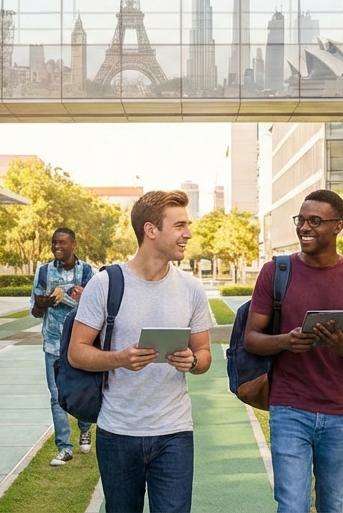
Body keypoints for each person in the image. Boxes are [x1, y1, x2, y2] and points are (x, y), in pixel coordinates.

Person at [67, 191, 212, 513]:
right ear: (151, 230)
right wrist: (119, 358)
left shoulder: (192, 289)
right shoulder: (105, 283)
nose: (187, 233)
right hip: (118, 431)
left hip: (175, 432)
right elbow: (77, 352)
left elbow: (204, 354)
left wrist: (193, 361)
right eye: (179, 226)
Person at [245, 189, 343, 513]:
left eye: (315, 221)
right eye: (301, 220)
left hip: (339, 411)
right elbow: (251, 338)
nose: (304, 227)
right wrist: (285, 341)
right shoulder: (275, 272)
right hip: (288, 407)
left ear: (337, 226)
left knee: (333, 506)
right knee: (292, 505)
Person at [32, 227, 96, 466]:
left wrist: (81, 297)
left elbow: (97, 309)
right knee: (56, 395)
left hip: (81, 342)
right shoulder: (44, 272)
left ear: (74, 244)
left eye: (62, 243)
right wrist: (42, 303)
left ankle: (85, 427)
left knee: (83, 390)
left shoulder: (88, 272)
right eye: (54, 243)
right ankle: (64, 447)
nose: (57, 247)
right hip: (52, 343)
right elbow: (35, 311)